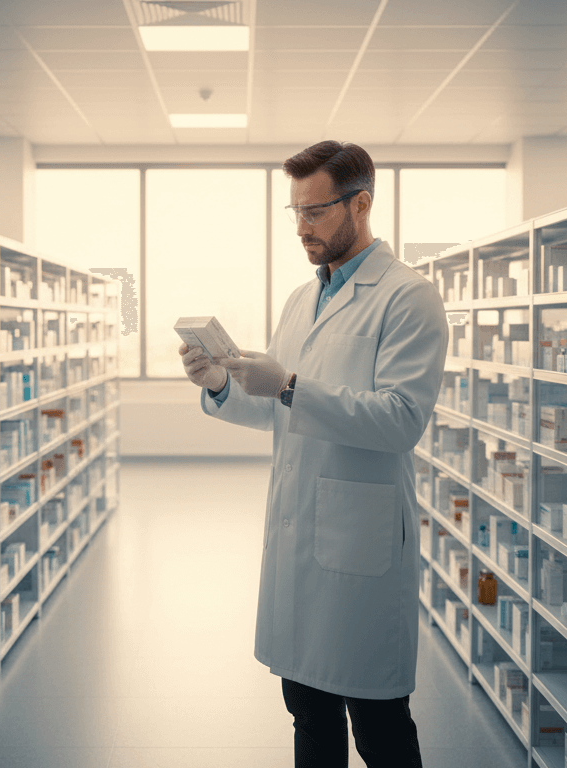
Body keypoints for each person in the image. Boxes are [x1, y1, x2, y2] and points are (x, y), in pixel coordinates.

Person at [177, 140, 448, 768]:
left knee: (379, 726)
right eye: (295, 211)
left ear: (361, 205)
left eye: (316, 211)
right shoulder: (303, 299)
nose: (302, 227)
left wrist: (290, 386)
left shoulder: (408, 297)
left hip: (360, 544)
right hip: (300, 539)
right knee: (307, 712)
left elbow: (401, 420)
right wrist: (220, 383)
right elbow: (278, 408)